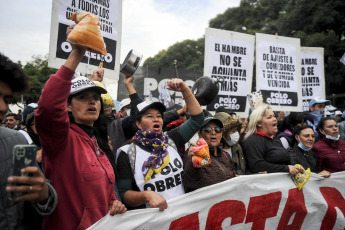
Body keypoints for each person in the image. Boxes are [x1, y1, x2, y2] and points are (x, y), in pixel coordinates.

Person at [35, 25, 126, 230]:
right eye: (83, 98)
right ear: (67, 106)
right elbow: (48, 106)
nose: (91, 102)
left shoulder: (96, 142)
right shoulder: (61, 139)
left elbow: (103, 190)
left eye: (95, 98)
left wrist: (113, 202)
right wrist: (77, 52)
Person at [116, 79, 204, 211]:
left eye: (159, 116)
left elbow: (197, 119)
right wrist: (147, 195)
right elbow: (124, 194)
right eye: (149, 116)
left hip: (183, 215)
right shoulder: (126, 153)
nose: (156, 119)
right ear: (139, 124)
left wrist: (185, 90)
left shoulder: (170, 139)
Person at [0, 52, 57, 229]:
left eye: (6, 100)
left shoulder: (16, 143)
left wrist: (44, 195)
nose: (3, 107)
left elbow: (39, 202)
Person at [242, 104, 304, 175]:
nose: (275, 119)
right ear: (259, 123)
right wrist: (286, 168)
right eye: (269, 117)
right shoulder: (252, 140)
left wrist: (295, 166)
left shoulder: (275, 138)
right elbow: (257, 165)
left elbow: (285, 156)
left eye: (274, 116)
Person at [183, 116, 236, 192]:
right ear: (199, 134)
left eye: (217, 130)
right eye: (208, 129)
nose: (213, 132)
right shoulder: (193, 153)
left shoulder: (225, 155)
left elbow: (233, 176)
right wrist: (193, 163)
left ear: (221, 135)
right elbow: (189, 182)